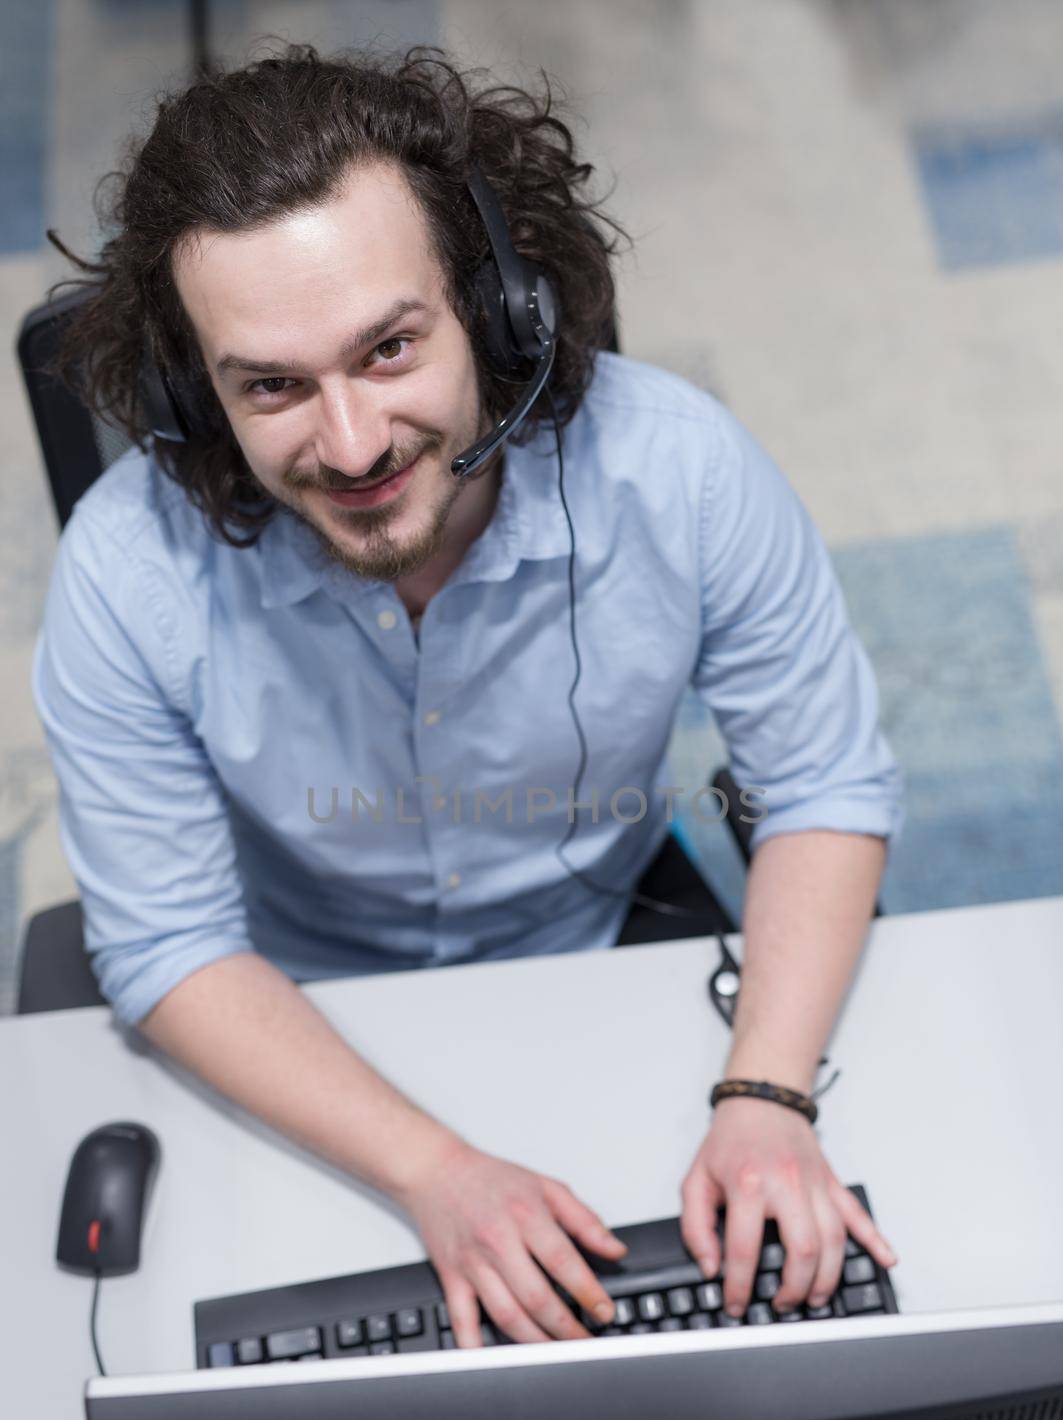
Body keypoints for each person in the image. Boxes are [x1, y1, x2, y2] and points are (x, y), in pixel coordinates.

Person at [35, 42, 903, 1350]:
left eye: (388, 348)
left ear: (497, 309)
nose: (351, 444)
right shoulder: (124, 569)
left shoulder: (680, 475)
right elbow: (168, 943)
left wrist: (769, 1096)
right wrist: (435, 1173)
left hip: (599, 947)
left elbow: (822, 783)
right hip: (298, 1011)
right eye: (271, 384)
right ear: (189, 391)